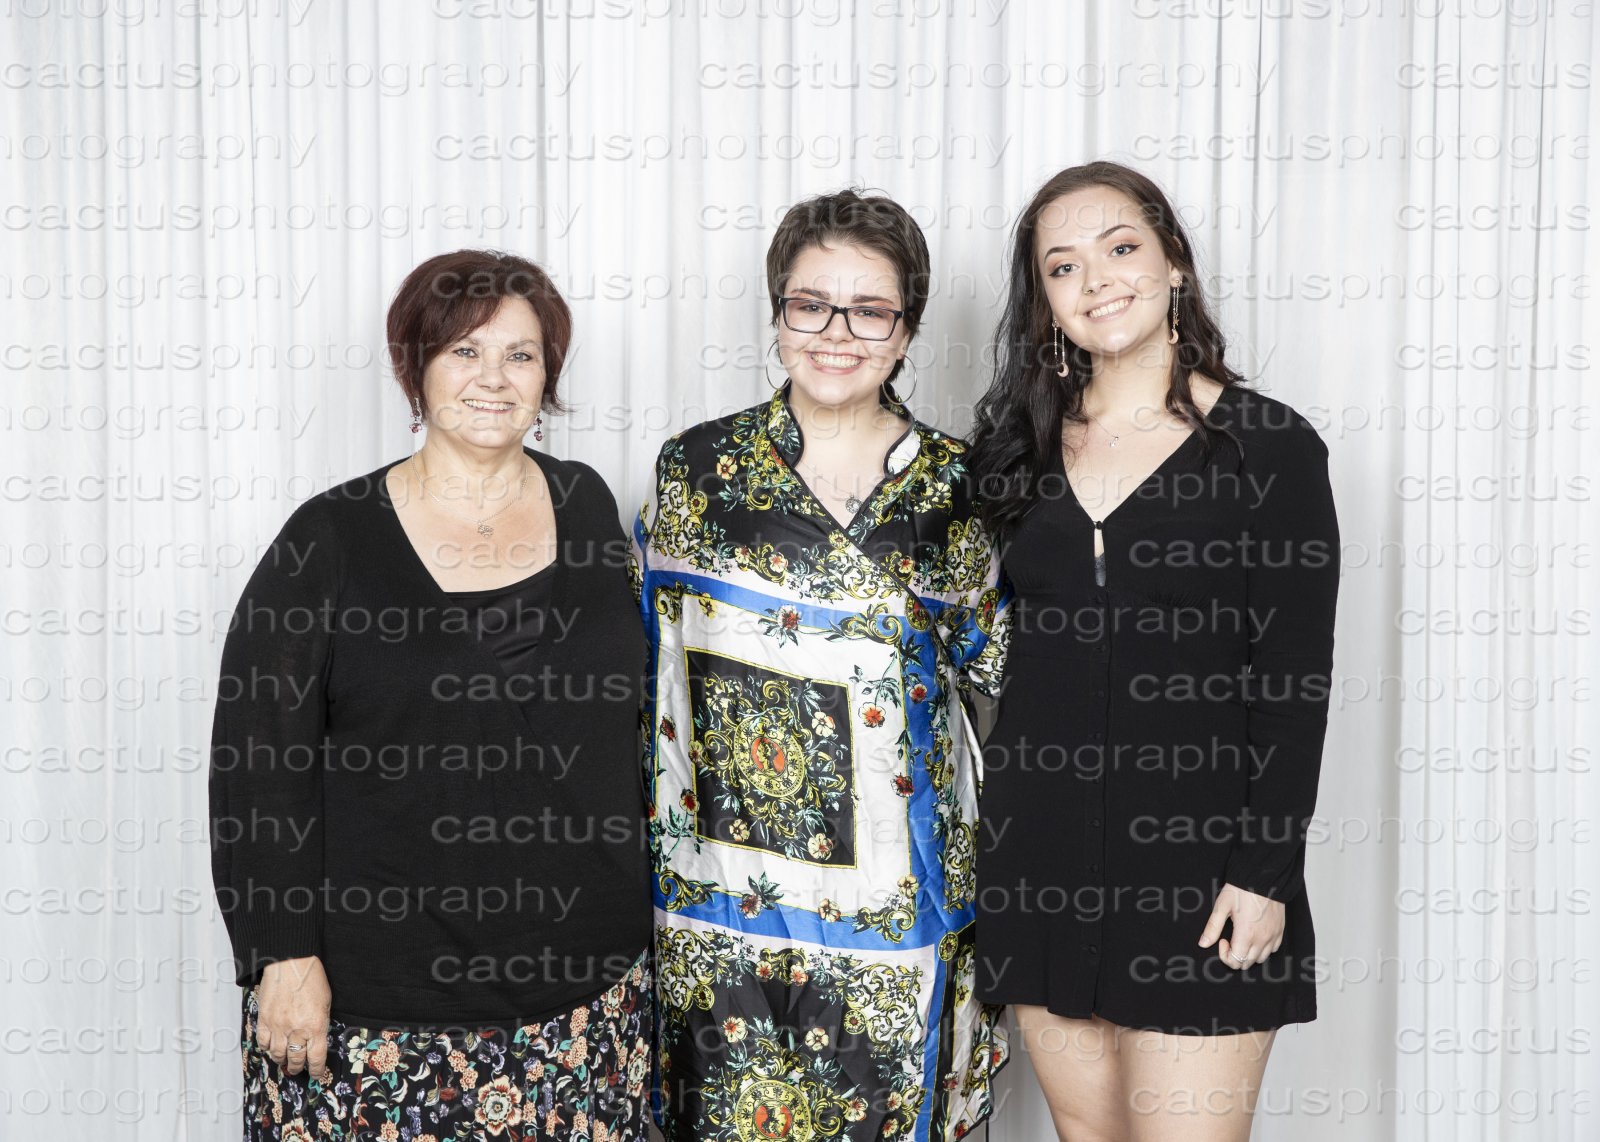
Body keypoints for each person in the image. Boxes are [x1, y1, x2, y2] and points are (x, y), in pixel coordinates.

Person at [209, 249, 653, 1141]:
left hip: (586, 994)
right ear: (416, 368)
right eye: (465, 352)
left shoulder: (586, 504)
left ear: (548, 374)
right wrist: (281, 956)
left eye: (520, 355)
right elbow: (257, 761)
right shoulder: (328, 541)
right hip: (380, 1003)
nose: (494, 378)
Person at [968, 161, 1341, 1142]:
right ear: (1044, 300)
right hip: (1039, 862)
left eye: (1120, 247)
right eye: (1062, 266)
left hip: (1202, 871)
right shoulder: (1015, 452)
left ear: (1173, 260)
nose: (1096, 280)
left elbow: (1294, 682)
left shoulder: (1269, 448)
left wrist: (1264, 872)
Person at [631, 189, 1011, 1141]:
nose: (837, 334)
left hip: (898, 903)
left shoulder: (959, 488)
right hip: (718, 899)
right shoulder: (695, 470)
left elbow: (1012, 679)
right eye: (811, 305)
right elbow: (640, 674)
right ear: (778, 313)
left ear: (907, 328)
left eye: (869, 310)